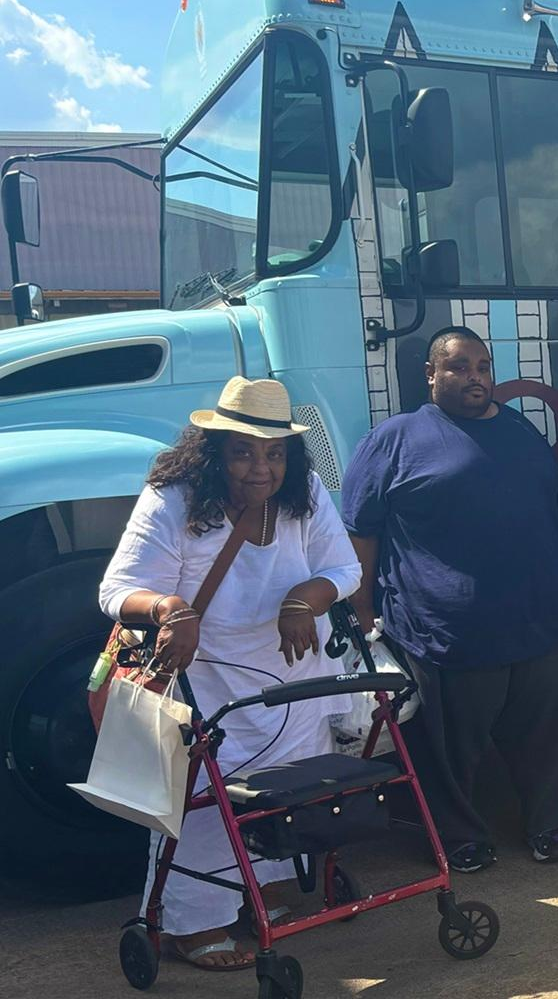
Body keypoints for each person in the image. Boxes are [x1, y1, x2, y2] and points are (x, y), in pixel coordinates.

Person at [101, 377, 360, 970]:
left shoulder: (307, 491)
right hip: (205, 672)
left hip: (290, 671)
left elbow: (343, 568)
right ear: (213, 448)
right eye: (242, 451)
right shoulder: (173, 497)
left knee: (280, 789)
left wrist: (304, 600)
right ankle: (191, 926)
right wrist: (171, 609)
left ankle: (257, 895)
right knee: (206, 799)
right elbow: (115, 589)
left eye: (274, 452)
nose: (259, 468)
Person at [343, 327, 558, 872]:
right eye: (458, 367)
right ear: (431, 375)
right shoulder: (394, 439)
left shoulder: (522, 430)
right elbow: (360, 533)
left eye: (482, 366)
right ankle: (459, 835)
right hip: (445, 629)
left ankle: (549, 823)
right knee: (451, 749)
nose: (474, 377)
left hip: (544, 621)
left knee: (549, 734)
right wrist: (362, 613)